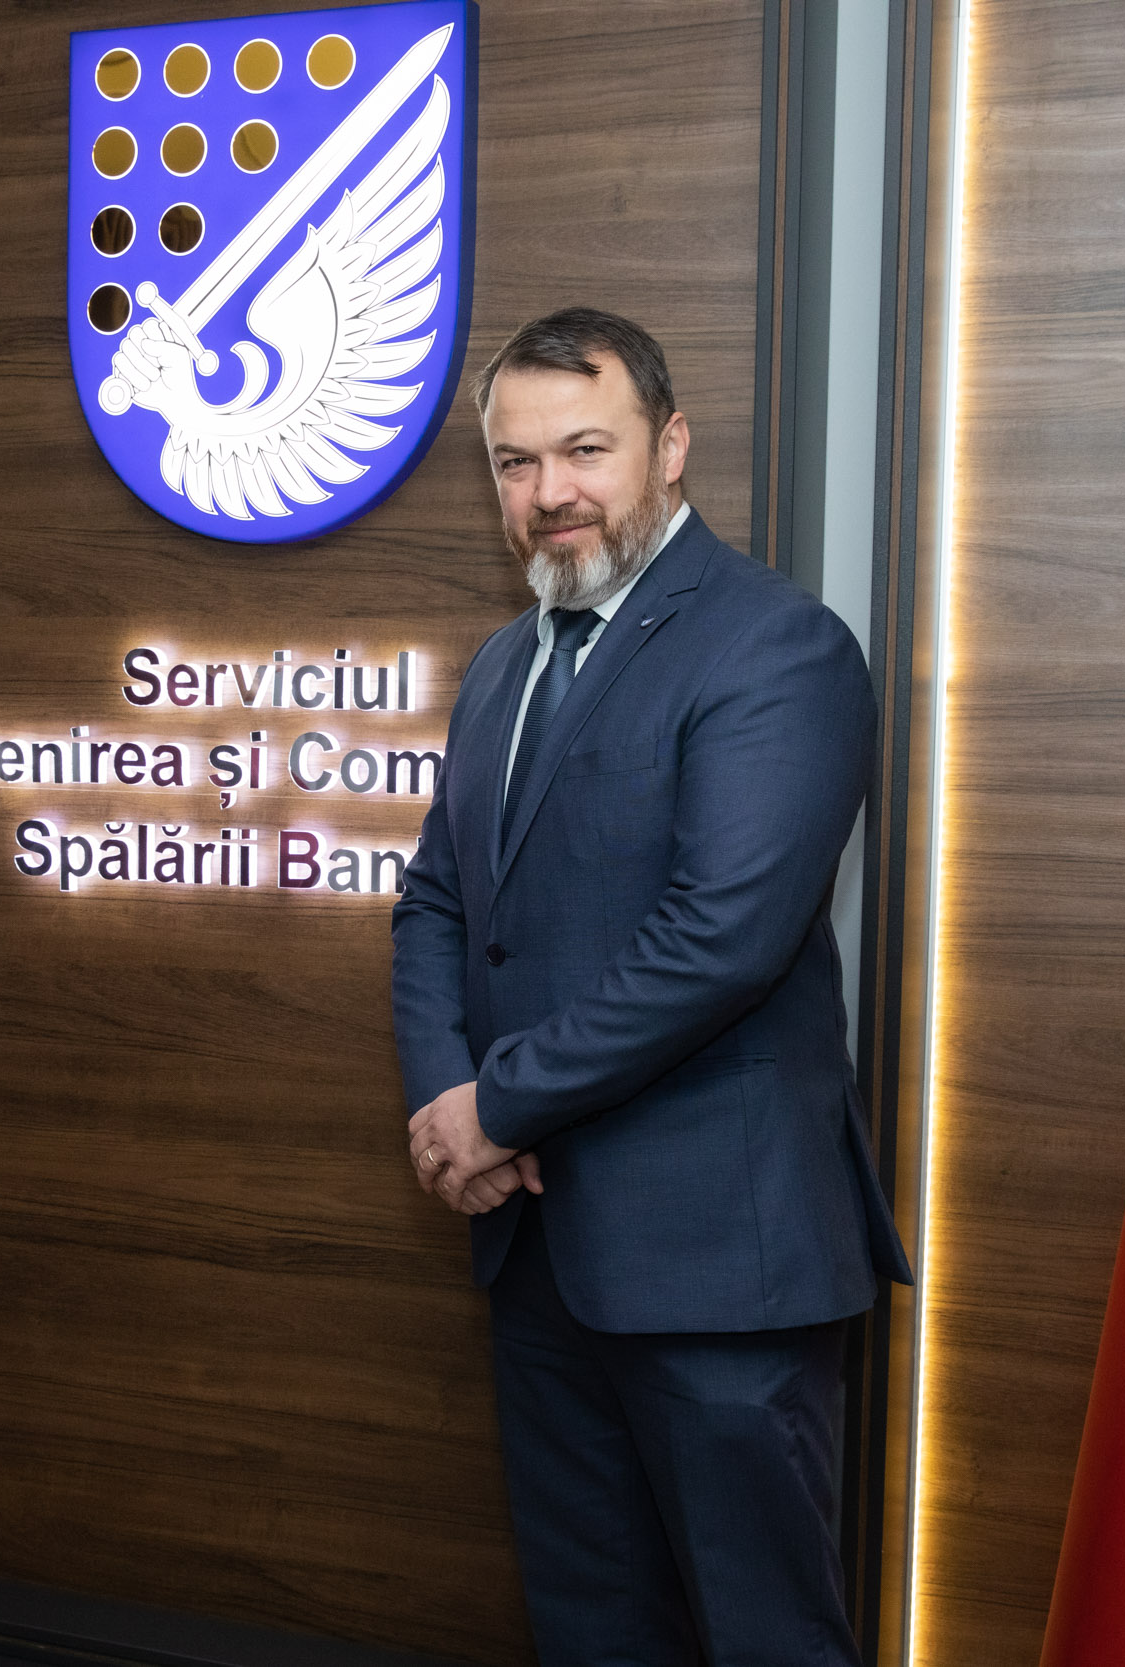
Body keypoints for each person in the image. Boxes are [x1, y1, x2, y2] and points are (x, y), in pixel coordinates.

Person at [389, 309, 911, 1665]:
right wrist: (444, 1090)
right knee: (593, 1630)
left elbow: (719, 939)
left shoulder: (774, 646)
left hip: (719, 1265)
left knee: (764, 1637)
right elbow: (440, 902)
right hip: (537, 1255)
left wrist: (497, 1104)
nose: (549, 490)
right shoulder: (504, 664)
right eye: (515, 461)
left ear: (669, 447)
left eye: (586, 449)